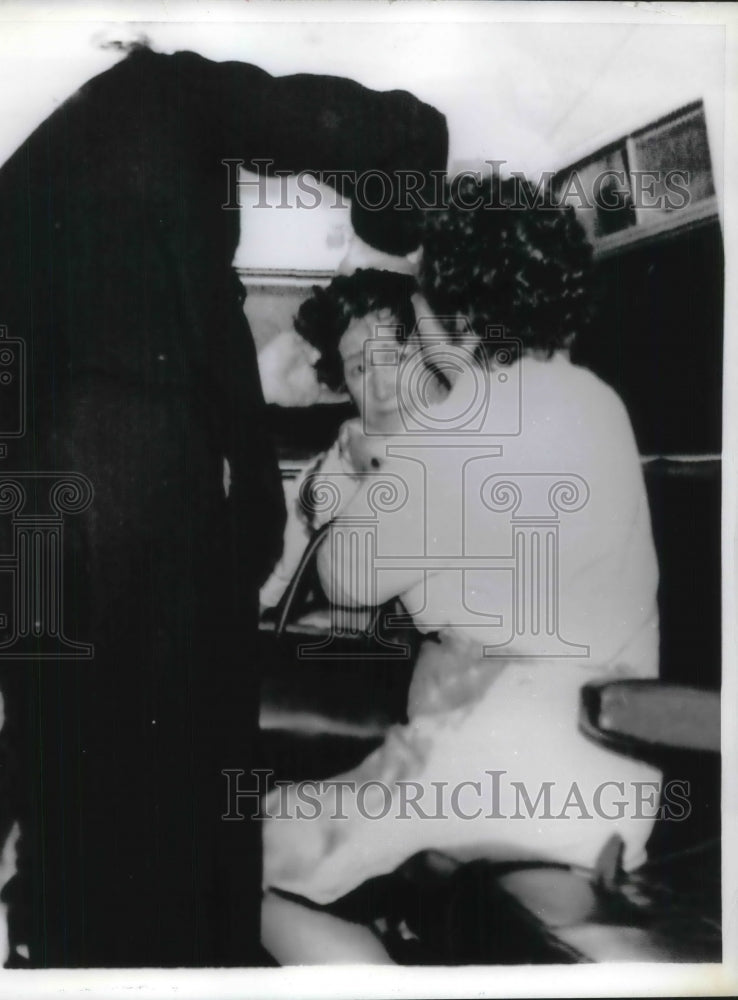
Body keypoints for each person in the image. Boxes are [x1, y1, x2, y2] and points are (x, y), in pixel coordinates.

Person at [0, 42, 447, 967]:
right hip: (133, 514)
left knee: (73, 789)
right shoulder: (182, 97)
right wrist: (256, 528)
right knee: (190, 789)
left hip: (26, 529)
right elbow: (391, 125)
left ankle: (79, 951)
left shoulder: (27, 181)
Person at [263, 174, 661, 940]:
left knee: (225, 860)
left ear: (447, 306)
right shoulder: (599, 403)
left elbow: (349, 578)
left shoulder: (455, 424)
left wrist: (365, 473)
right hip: (614, 784)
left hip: (492, 763)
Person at [259, 268, 419, 613]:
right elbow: (276, 586)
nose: (381, 388)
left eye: (397, 358)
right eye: (360, 369)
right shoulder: (339, 463)